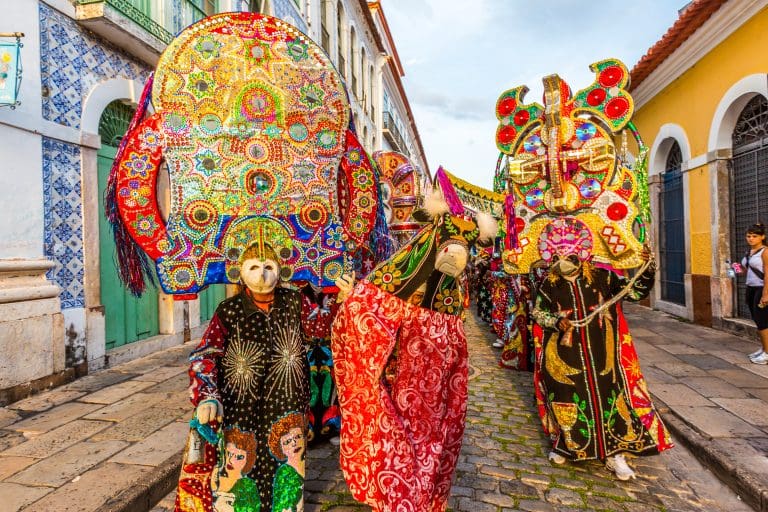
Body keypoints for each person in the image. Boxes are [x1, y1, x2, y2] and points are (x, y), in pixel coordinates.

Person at [175, 240, 354, 512]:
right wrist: (207, 396)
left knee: (287, 468)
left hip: (287, 404)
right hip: (240, 405)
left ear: (280, 270)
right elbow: (205, 355)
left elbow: (320, 329)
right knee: (239, 469)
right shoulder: (229, 309)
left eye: (269, 267)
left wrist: (342, 298)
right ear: (240, 271)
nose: (262, 275)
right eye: (254, 267)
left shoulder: (295, 301)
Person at [531, 245, 673, 481]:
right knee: (566, 397)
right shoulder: (548, 284)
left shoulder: (603, 278)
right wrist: (556, 321)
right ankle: (567, 444)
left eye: (569, 255)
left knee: (609, 396)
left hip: (601, 353)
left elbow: (635, 293)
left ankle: (614, 453)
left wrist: (647, 269)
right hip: (565, 354)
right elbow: (537, 312)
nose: (563, 260)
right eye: (557, 256)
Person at [739, 223, 768, 364]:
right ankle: (763, 349)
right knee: (757, 320)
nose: (751, 239)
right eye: (748, 236)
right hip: (750, 288)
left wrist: (765, 294)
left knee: (762, 321)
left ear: (762, 237)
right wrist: (736, 269)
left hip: (761, 289)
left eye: (754, 236)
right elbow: (745, 272)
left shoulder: (765, 252)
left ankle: (767, 353)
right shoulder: (748, 253)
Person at [268, 412, 307, 512]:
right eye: (287, 442)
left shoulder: (297, 467)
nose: (294, 443)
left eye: (298, 437)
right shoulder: (285, 473)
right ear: (280, 449)